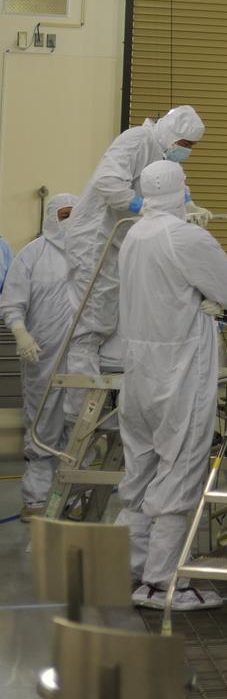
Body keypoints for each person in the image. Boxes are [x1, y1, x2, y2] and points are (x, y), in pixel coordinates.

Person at [116, 160, 227, 612]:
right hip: (179, 370)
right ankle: (161, 582)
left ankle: (129, 568)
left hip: (137, 372)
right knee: (180, 466)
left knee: (141, 469)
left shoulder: (133, 235)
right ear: (181, 189)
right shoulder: (186, 237)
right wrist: (212, 300)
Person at [62, 107, 206, 419]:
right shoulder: (138, 141)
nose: (186, 151)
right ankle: (79, 418)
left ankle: (97, 411)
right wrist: (142, 205)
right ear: (170, 133)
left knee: (111, 322)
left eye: (191, 147)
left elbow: (172, 189)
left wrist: (189, 205)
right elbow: (107, 181)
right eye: (185, 143)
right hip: (94, 241)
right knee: (91, 328)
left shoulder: (165, 157)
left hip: (119, 245)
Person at [0, 194, 77, 518]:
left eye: (74, 214)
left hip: (81, 360)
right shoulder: (32, 255)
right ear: (49, 217)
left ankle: (71, 501)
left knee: (77, 432)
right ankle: (35, 501)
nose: (69, 220)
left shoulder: (91, 253)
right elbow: (11, 303)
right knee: (41, 429)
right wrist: (21, 334)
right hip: (41, 358)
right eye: (63, 214)